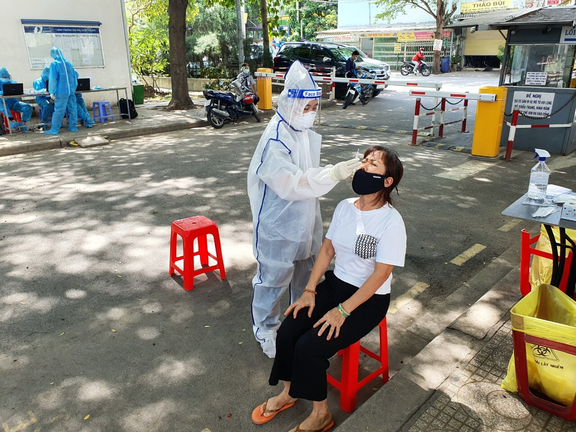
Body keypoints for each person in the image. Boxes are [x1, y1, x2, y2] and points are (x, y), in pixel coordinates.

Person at [251, 146, 406, 432]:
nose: (363, 166)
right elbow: (327, 250)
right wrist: (309, 290)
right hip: (336, 285)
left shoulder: (391, 221)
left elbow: (381, 274)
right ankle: (290, 392)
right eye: (364, 160)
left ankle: (321, 414)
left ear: (387, 181)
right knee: (288, 330)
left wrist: (342, 311)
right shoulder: (345, 207)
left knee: (310, 347)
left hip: (368, 299)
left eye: (373, 164)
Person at [247, 60, 361, 358]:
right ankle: (266, 329)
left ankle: (297, 323)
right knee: (273, 279)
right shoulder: (276, 138)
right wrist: (331, 175)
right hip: (278, 223)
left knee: (306, 277)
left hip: (305, 218)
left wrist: (327, 175)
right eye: (305, 107)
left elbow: (305, 177)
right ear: (289, 104)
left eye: (314, 107)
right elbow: (291, 183)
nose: (310, 112)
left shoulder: (302, 132)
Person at [44, 47, 78, 135]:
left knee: (59, 110)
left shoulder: (54, 64)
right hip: (71, 91)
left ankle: (54, 129)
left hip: (61, 92)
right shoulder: (69, 64)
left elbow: (53, 79)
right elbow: (75, 77)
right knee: (73, 109)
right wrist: (73, 88)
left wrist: (52, 91)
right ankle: (73, 127)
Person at [0, 67, 32, 132]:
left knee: (28, 107)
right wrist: (4, 92)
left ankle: (23, 123)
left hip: (14, 102)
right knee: (4, 107)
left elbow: (17, 89)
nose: (5, 79)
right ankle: (13, 120)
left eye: (6, 77)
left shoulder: (12, 82)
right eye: (3, 77)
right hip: (3, 102)